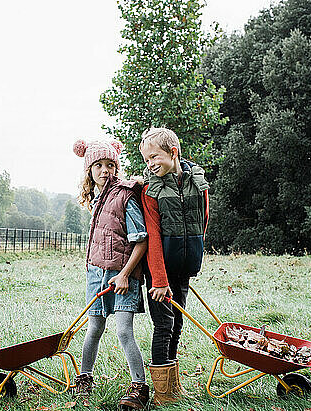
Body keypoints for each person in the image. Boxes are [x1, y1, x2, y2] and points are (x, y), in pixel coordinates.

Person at [72, 138, 150, 410]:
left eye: (110, 165)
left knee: (123, 331)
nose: (105, 170)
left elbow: (141, 240)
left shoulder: (125, 196)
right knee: (93, 328)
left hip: (123, 277)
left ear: (117, 167)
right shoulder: (95, 200)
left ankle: (139, 386)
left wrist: (126, 274)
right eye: (98, 165)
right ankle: (84, 378)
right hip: (96, 274)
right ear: (89, 171)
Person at [138, 127, 209, 405]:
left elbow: (203, 220)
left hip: (183, 267)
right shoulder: (151, 191)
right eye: (146, 160)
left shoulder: (197, 182)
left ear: (173, 152)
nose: (150, 164)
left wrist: (194, 255)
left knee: (177, 323)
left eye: (154, 157)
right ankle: (162, 393)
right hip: (160, 274)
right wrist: (158, 279)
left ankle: (173, 387)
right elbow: (153, 236)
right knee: (163, 324)